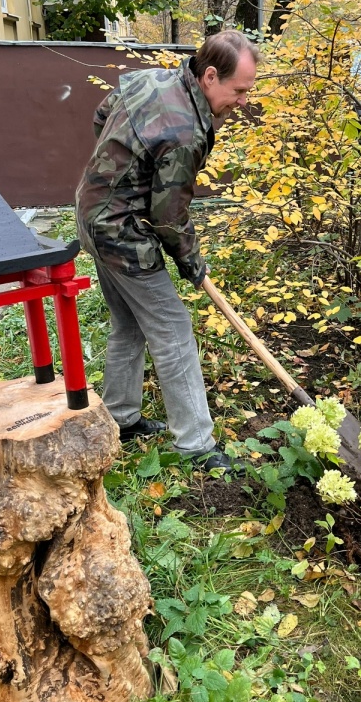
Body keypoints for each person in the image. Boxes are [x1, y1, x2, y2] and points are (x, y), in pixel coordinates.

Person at [76, 30, 259, 471]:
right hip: (121, 234)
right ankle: (196, 444)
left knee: (128, 323)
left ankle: (120, 416)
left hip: (91, 213)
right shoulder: (184, 133)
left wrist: (121, 174)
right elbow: (168, 217)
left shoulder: (151, 79)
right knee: (173, 330)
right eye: (238, 91)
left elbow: (102, 117)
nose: (242, 102)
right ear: (210, 76)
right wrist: (192, 263)